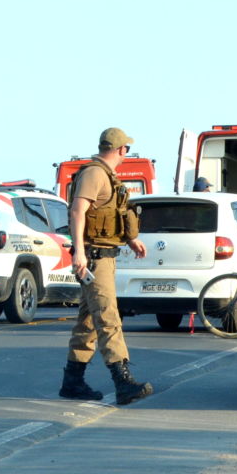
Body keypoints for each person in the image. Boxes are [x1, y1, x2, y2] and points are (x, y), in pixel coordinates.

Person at [61, 128, 153, 405]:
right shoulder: (94, 173)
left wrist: (131, 239)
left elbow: (109, 214)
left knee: (88, 322)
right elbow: (78, 211)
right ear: (122, 150)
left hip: (103, 255)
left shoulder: (105, 175)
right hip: (94, 257)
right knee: (108, 316)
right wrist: (78, 251)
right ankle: (122, 381)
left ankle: (72, 382)